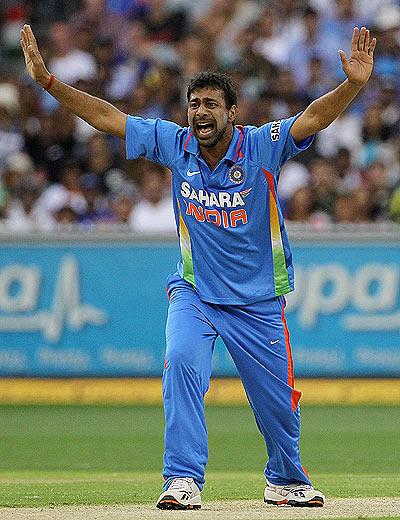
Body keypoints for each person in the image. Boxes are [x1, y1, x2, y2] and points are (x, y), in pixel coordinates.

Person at [20, 23, 376, 510]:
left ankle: (285, 479)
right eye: (194, 103)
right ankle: (182, 479)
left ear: (233, 112)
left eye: (211, 104)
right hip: (196, 292)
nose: (200, 113)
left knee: (277, 404)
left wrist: (353, 84)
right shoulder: (176, 143)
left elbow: (312, 118)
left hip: (258, 302)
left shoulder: (260, 145)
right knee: (182, 365)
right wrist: (48, 83)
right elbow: (108, 117)